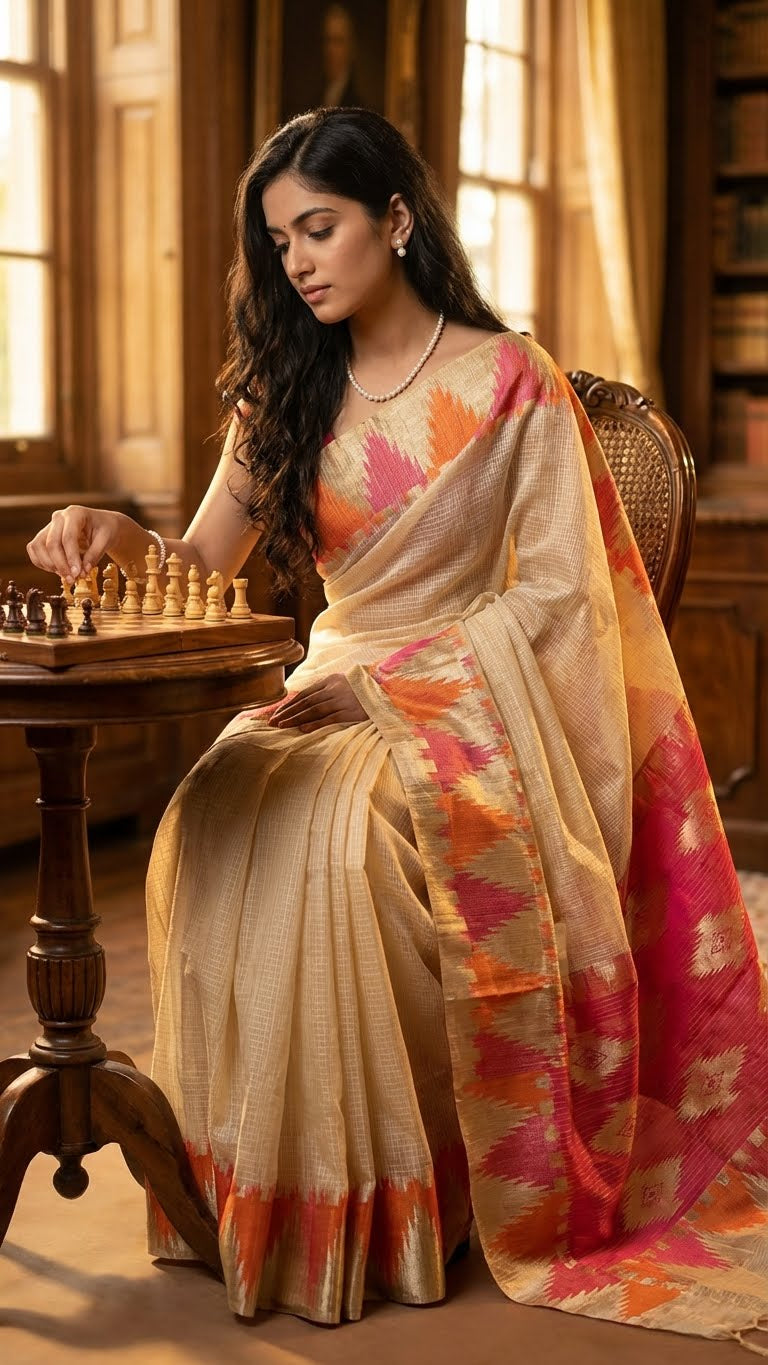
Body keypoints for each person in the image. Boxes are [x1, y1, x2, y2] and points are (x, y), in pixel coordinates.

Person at [27, 108, 767, 1340]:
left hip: (471, 704)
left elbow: (553, 599)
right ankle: (276, 1193)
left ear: (398, 221)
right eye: (277, 243)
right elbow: (200, 562)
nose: (298, 262)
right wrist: (116, 537)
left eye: (319, 229)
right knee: (216, 804)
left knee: (344, 835)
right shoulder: (288, 384)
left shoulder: (508, 380)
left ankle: (398, 1204)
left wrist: (393, 690)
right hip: (324, 688)